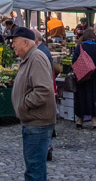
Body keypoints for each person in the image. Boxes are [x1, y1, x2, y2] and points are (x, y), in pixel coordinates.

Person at [10, 27, 56, 181]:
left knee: (34, 169)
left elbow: (43, 89)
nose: (13, 45)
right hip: (33, 121)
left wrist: (24, 104)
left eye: (15, 42)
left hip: (37, 122)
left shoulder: (36, 58)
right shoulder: (29, 58)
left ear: (25, 42)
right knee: (34, 167)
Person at [71, 28, 96, 130]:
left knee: (81, 98)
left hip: (82, 78)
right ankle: (95, 122)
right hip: (95, 78)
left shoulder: (80, 47)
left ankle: (79, 121)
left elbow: (74, 61)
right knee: (94, 98)